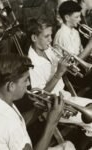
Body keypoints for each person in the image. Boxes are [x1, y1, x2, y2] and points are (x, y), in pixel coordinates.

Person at [0, 53, 75, 150]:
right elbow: (13, 127)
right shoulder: (9, 125)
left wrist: (43, 108)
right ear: (11, 86)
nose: (28, 83)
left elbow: (22, 120)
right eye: (25, 80)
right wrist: (52, 122)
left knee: (68, 146)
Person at [27, 17, 92, 149]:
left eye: (51, 35)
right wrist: (58, 73)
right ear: (34, 38)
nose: (51, 40)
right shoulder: (31, 63)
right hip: (55, 106)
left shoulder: (48, 50)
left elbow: (63, 69)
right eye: (47, 36)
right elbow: (40, 95)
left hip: (67, 96)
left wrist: (67, 63)